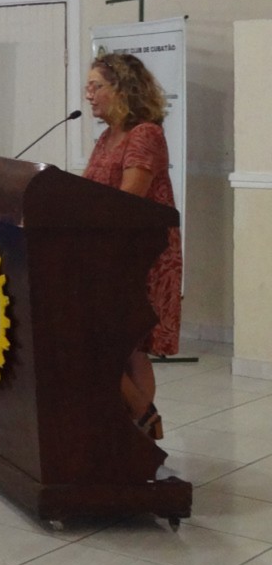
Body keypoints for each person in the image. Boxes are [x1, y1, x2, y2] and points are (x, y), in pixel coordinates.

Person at [83, 52, 183, 439]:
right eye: (88, 87)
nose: (88, 95)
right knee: (118, 343)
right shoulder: (106, 137)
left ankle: (139, 422)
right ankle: (139, 425)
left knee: (127, 342)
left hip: (141, 255)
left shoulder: (145, 134)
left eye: (96, 86)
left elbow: (128, 203)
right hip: (108, 252)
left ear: (122, 89)